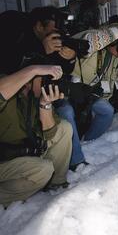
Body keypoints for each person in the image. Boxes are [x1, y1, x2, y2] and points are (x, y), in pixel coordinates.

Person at [56, 24, 118, 172]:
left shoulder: (116, 57)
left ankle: (89, 144)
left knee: (107, 111)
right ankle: (76, 161)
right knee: (67, 113)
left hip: (89, 95)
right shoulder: (93, 40)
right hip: (69, 91)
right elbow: (91, 41)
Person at [0, 65, 73, 208]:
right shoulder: (8, 84)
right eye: (43, 79)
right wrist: (33, 70)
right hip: (3, 158)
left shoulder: (34, 97)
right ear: (27, 80)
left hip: (19, 153)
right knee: (42, 170)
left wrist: (45, 105)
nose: (47, 84)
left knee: (64, 128)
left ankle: (56, 184)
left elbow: (50, 133)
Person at [0, 6, 77, 76]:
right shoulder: (13, 23)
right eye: (54, 30)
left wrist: (70, 58)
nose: (57, 34)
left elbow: (63, 71)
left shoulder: (51, 40)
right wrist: (41, 50)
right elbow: (7, 64)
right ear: (39, 26)